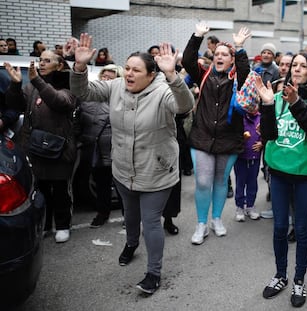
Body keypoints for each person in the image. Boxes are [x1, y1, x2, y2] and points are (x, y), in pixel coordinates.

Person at [70, 34, 194, 295]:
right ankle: (130, 243)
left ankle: (153, 273)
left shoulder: (163, 91)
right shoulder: (116, 86)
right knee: (130, 215)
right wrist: (80, 67)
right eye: (127, 68)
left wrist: (172, 76)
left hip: (156, 170)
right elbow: (82, 92)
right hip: (123, 168)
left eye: (136, 70)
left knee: (150, 222)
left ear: (151, 74)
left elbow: (185, 105)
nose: (128, 73)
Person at [256, 52, 307, 307]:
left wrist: (295, 103)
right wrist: (268, 105)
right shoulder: (278, 95)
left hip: (306, 175)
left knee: (302, 229)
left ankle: (299, 280)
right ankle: (280, 275)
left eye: (303, 66)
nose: (297, 69)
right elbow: (269, 134)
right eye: (294, 65)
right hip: (279, 173)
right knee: (280, 228)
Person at [182, 22, 251, 245]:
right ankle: (201, 223)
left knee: (221, 181)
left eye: (225, 54)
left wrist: (239, 48)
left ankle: (217, 219)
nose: (220, 57)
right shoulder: (202, 73)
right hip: (201, 137)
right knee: (203, 182)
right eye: (217, 54)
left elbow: (245, 72)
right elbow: (187, 60)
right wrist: (197, 36)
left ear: (231, 60)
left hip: (228, 139)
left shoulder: (238, 78)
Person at [4, 51, 77, 243]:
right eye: (40, 60)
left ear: (59, 65)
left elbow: (59, 101)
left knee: (60, 191)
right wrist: (16, 84)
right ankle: (45, 225)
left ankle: (63, 225)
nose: (42, 63)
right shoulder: (31, 86)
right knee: (40, 190)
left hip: (59, 150)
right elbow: (16, 104)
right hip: (35, 149)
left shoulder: (66, 84)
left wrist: (37, 81)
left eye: (47, 61)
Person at [74, 64, 124, 228]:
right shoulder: (87, 98)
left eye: (111, 77)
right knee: (101, 184)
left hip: (116, 150)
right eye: (104, 76)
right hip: (93, 150)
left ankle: (128, 216)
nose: (106, 80)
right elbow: (78, 121)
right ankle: (102, 213)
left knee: (121, 186)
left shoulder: (123, 99)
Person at [260, 53, 293, 219]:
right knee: (270, 173)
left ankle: (289, 213)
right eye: (282, 64)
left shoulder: (296, 88)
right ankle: (277, 207)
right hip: (271, 141)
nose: (284, 67)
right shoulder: (272, 85)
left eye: (289, 64)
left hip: (289, 142)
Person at [234, 106, 262, 222]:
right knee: (240, 182)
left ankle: (250, 205)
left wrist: (262, 142)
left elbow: (268, 134)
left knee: (252, 182)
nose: (252, 107)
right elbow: (233, 136)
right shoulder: (240, 117)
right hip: (241, 156)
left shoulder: (262, 118)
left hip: (255, 157)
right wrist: (242, 139)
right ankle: (239, 206)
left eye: (255, 104)